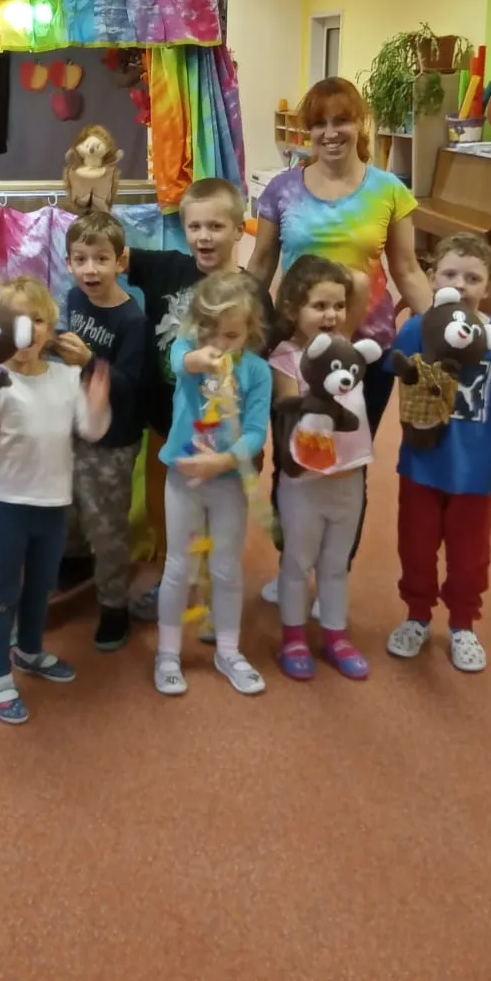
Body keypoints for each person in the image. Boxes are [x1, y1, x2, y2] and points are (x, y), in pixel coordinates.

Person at [250, 76, 433, 595]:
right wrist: (239, 332)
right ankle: (291, 570)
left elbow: (408, 271)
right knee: (292, 459)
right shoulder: (282, 190)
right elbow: (260, 266)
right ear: (308, 132)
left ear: (359, 124)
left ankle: (333, 577)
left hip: (365, 352)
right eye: (320, 124)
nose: (330, 133)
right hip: (293, 351)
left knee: (348, 464)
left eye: (341, 121)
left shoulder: (389, 191)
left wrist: (440, 328)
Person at [126, 176, 274, 622]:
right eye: (194, 227)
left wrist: (249, 442)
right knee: (166, 511)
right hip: (167, 424)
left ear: (239, 229)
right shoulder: (165, 267)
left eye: (215, 226)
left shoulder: (253, 294)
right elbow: (108, 251)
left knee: (221, 519)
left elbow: (259, 371)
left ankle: (211, 592)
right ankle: (175, 575)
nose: (204, 237)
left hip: (227, 433)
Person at [386, 234, 491, 674]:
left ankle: (463, 624)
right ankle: (416, 616)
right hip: (421, 467)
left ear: (489, 286)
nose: (461, 285)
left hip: (475, 474)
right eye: (450, 274)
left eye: (473, 278)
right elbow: (395, 376)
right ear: (433, 278)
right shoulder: (417, 329)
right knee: (415, 548)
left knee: (470, 558)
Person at [0, 276, 111, 726]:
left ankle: (29, 651)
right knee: (2, 592)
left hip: (53, 505)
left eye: (36, 319)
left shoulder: (67, 376)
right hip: (7, 505)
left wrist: (97, 402)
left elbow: (91, 430)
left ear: (50, 327)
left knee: (40, 587)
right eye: (15, 320)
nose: (27, 329)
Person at [155, 272, 271, 699]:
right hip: (183, 477)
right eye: (210, 333)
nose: (219, 344)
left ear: (249, 332)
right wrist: (199, 358)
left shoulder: (256, 371)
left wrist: (222, 461)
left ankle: (228, 650)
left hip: (226, 482)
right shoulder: (188, 351)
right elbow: (179, 362)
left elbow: (255, 432)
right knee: (178, 567)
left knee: (225, 567)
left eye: (231, 335)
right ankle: (167, 654)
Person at [269, 256, 372, 682]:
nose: (331, 315)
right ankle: (293, 637)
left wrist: (343, 283)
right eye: (319, 306)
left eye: (339, 305)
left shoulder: (346, 347)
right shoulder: (285, 358)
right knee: (297, 562)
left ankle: (336, 634)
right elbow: (288, 409)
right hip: (305, 486)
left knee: (336, 564)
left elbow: (361, 282)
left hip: (350, 481)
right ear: (293, 309)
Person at [63, 211, 147, 653]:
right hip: (76, 427)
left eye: (101, 259)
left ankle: (114, 605)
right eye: (80, 259)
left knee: (108, 523)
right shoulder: (73, 299)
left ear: (121, 261)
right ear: (68, 262)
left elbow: (131, 385)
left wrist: (88, 363)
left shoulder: (132, 320)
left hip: (115, 440)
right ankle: (77, 562)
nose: (90, 270)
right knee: (74, 502)